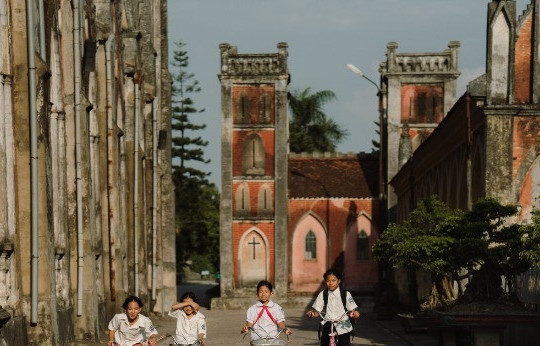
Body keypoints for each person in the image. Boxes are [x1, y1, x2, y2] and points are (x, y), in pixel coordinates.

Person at [306, 268, 360, 346]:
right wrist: (312, 314)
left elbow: (353, 309)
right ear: (325, 282)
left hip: (343, 327)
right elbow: (317, 311)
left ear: (339, 281)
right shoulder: (323, 294)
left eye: (333, 280)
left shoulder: (345, 294)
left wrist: (355, 313)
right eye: (328, 281)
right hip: (328, 325)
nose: (330, 283)